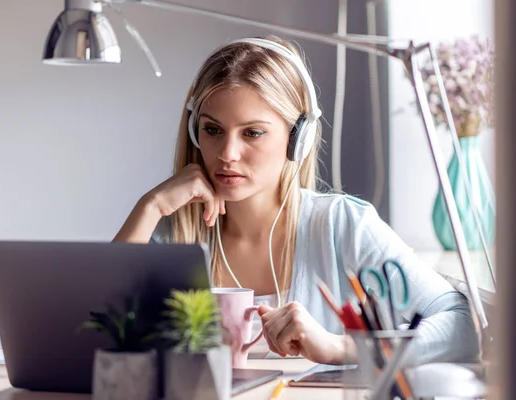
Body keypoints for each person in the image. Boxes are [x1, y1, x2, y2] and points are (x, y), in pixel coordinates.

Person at [113, 35, 479, 366]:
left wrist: (340, 348)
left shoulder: (341, 225)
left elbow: (461, 325)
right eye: (212, 130)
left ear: (297, 140)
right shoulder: (170, 232)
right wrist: (151, 207)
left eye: (252, 133)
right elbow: (95, 336)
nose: (227, 153)